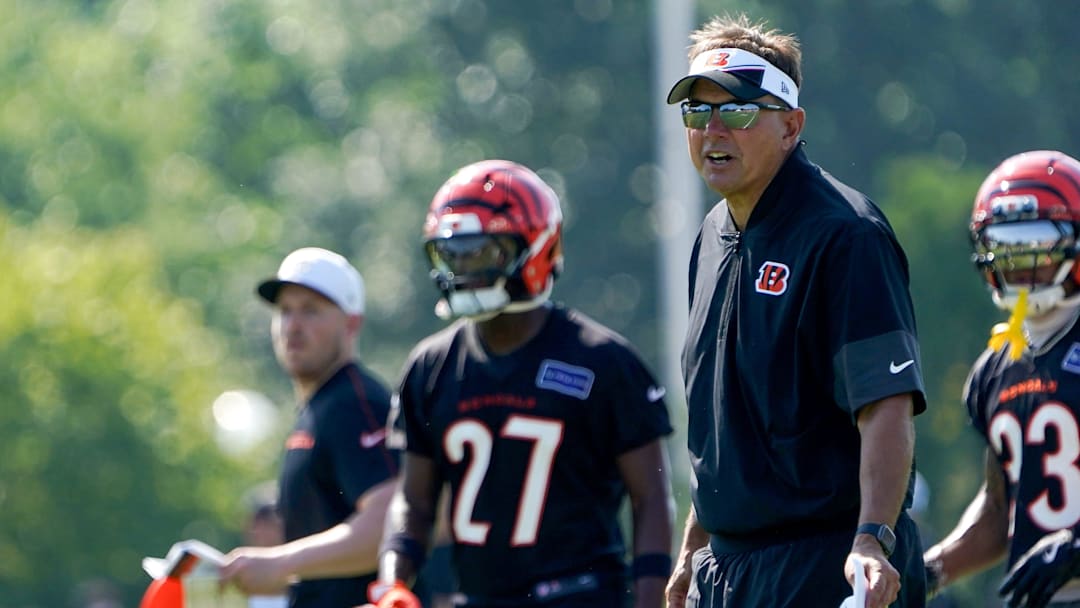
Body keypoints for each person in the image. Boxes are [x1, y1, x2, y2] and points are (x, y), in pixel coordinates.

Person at [662, 13, 927, 608]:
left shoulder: (845, 235)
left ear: (790, 125)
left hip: (826, 566)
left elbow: (886, 404)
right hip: (728, 571)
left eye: (735, 111)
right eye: (697, 113)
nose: (712, 131)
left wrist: (872, 539)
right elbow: (725, 427)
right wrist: (694, 546)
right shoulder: (709, 236)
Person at [365, 160, 675, 608]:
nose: (464, 269)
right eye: (453, 254)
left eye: (482, 252)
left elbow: (651, 498)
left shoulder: (601, 361)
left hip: (580, 597)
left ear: (535, 248)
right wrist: (392, 580)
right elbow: (414, 502)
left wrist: (651, 598)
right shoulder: (430, 366)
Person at [922, 150, 1080, 608]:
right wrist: (930, 571)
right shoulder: (995, 368)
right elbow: (998, 510)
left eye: (1036, 247)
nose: (1021, 269)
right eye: (1007, 248)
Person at [219, 247, 399, 607]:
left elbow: (390, 524)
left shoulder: (353, 403)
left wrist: (279, 563)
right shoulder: (319, 409)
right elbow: (330, 568)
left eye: (311, 310)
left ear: (352, 322)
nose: (293, 326)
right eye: (285, 311)